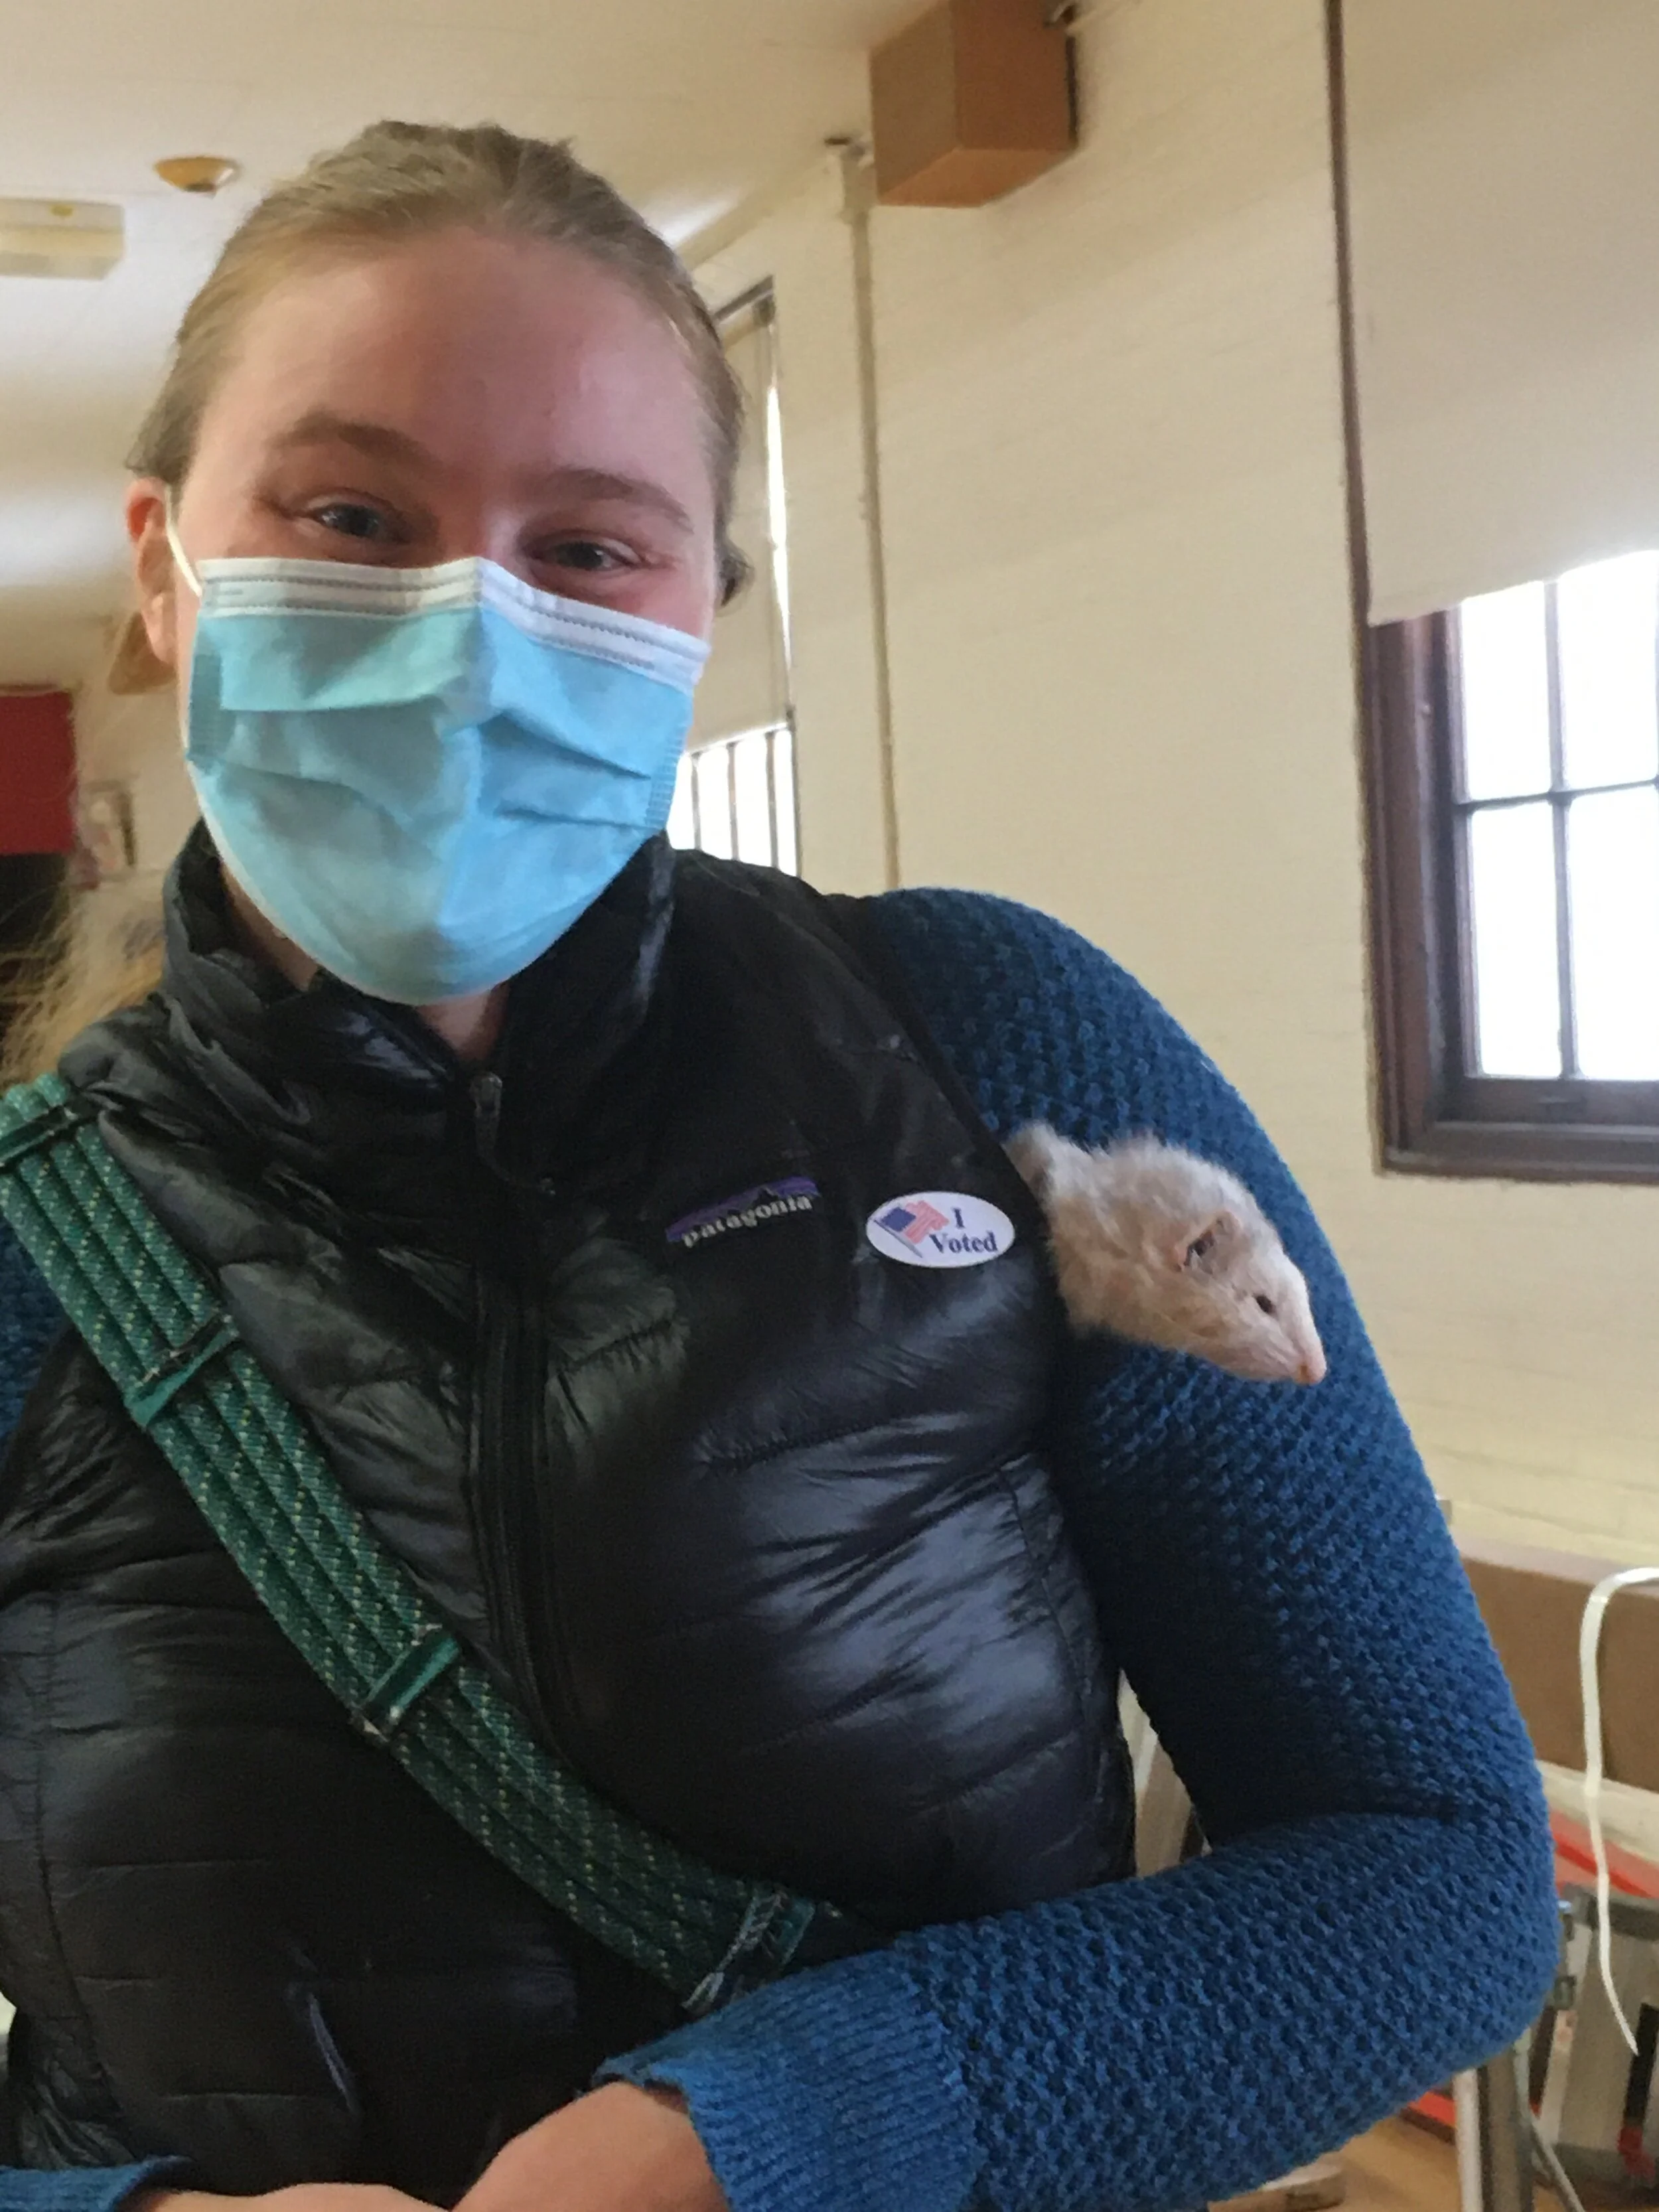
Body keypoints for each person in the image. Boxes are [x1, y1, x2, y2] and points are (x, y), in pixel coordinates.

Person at [0, 119, 1555, 2212]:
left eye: (587, 548)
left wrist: (797, 2128)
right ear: (168, 570)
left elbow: (1431, 1865)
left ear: (701, 617)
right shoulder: (30, 1239)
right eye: (352, 511)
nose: (464, 632)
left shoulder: (982, 1044)